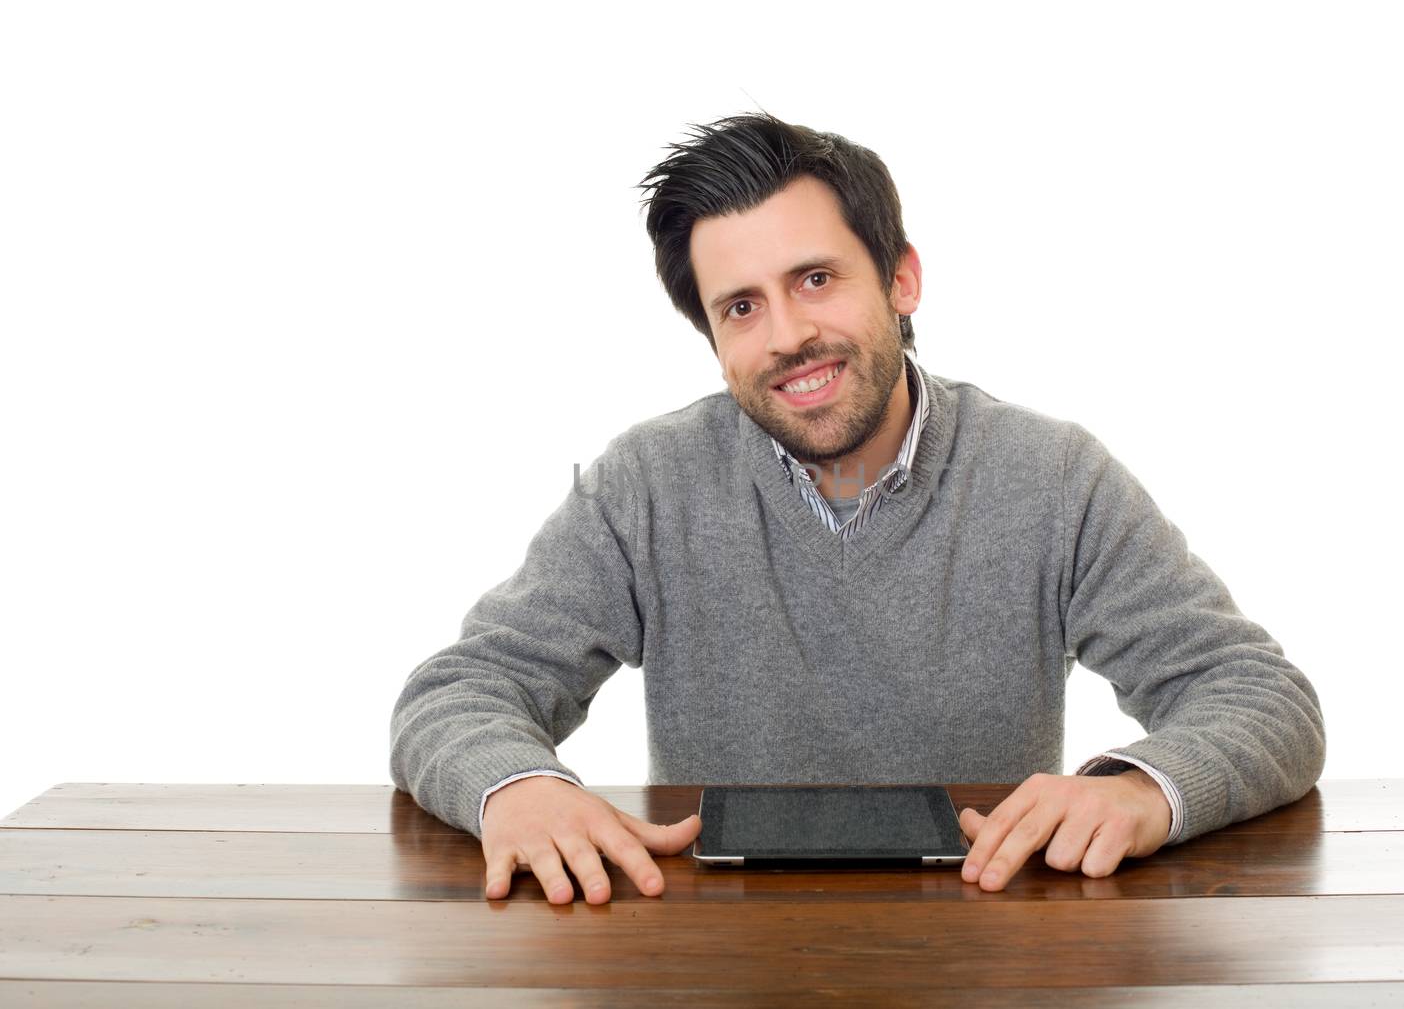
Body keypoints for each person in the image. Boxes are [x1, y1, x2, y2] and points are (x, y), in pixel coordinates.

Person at [388, 112, 1326, 906]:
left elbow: (1261, 696)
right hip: (719, 960)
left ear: (902, 279)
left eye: (816, 279)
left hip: (984, 952)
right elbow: (460, 691)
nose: (789, 336)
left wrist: (1143, 789)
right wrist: (516, 787)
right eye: (741, 307)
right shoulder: (646, 485)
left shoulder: (1052, 478)